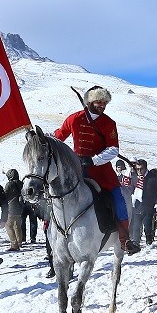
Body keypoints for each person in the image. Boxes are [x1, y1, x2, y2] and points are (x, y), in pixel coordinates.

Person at [53, 86, 140, 254]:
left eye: (105, 103)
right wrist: (41, 138)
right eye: (99, 102)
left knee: (118, 197)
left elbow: (113, 149)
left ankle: (125, 239)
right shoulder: (74, 119)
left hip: (101, 170)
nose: (102, 105)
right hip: (76, 169)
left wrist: (94, 160)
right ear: (90, 102)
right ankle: (51, 233)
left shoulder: (109, 123)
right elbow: (59, 136)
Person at [130, 159, 157, 245]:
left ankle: (149, 239)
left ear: (145, 168)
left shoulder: (152, 177)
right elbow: (131, 188)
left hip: (148, 204)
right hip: (137, 203)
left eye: (141, 169)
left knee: (147, 224)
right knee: (136, 225)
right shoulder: (135, 177)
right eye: (137, 169)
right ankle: (136, 242)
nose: (139, 171)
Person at [2, 169, 26, 251]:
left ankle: (14, 244)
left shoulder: (9, 184)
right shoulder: (21, 183)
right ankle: (19, 242)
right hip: (20, 207)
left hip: (11, 207)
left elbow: (5, 195)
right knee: (17, 226)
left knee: (8, 226)